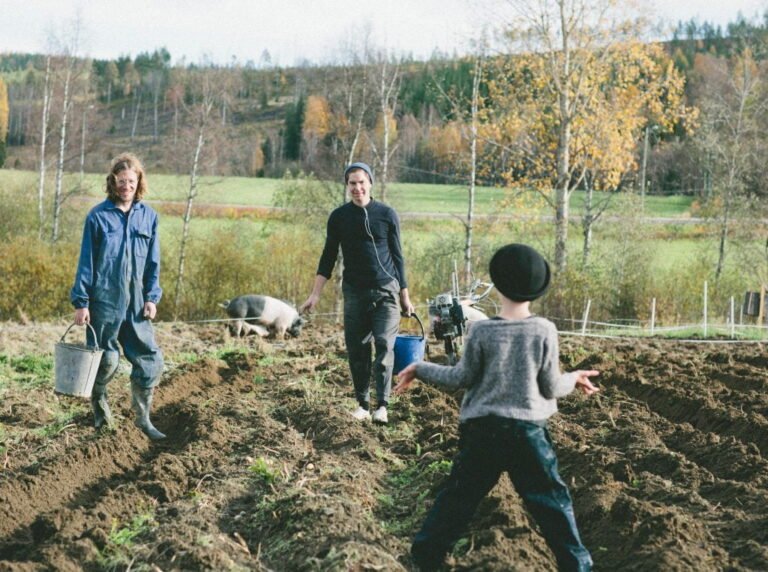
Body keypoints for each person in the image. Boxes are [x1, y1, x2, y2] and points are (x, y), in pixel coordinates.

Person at [394, 243, 599, 571]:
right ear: (538, 289)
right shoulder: (543, 330)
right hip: (528, 433)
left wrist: (420, 369)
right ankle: (577, 565)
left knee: (458, 498)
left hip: (483, 431)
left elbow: (460, 378)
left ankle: (426, 558)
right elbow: (550, 387)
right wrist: (573, 378)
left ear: (498, 284)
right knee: (552, 503)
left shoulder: (482, 330)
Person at [300, 161, 414, 424]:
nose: (357, 188)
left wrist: (404, 295)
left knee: (385, 344)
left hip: (386, 290)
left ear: (370, 183)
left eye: (362, 182)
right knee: (357, 350)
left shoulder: (387, 214)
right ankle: (362, 404)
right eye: (352, 183)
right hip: (354, 293)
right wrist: (315, 294)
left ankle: (382, 405)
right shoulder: (339, 217)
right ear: (347, 186)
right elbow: (327, 257)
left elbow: (398, 257)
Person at [70, 153, 166, 440]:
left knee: (150, 359)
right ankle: (102, 419)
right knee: (106, 361)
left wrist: (152, 297)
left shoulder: (149, 217)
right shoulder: (97, 217)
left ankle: (143, 420)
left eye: (131, 181)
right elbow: (86, 261)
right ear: (113, 182)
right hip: (104, 303)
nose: (126, 186)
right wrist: (81, 302)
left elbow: (153, 263)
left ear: (139, 183)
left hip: (137, 304)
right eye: (121, 181)